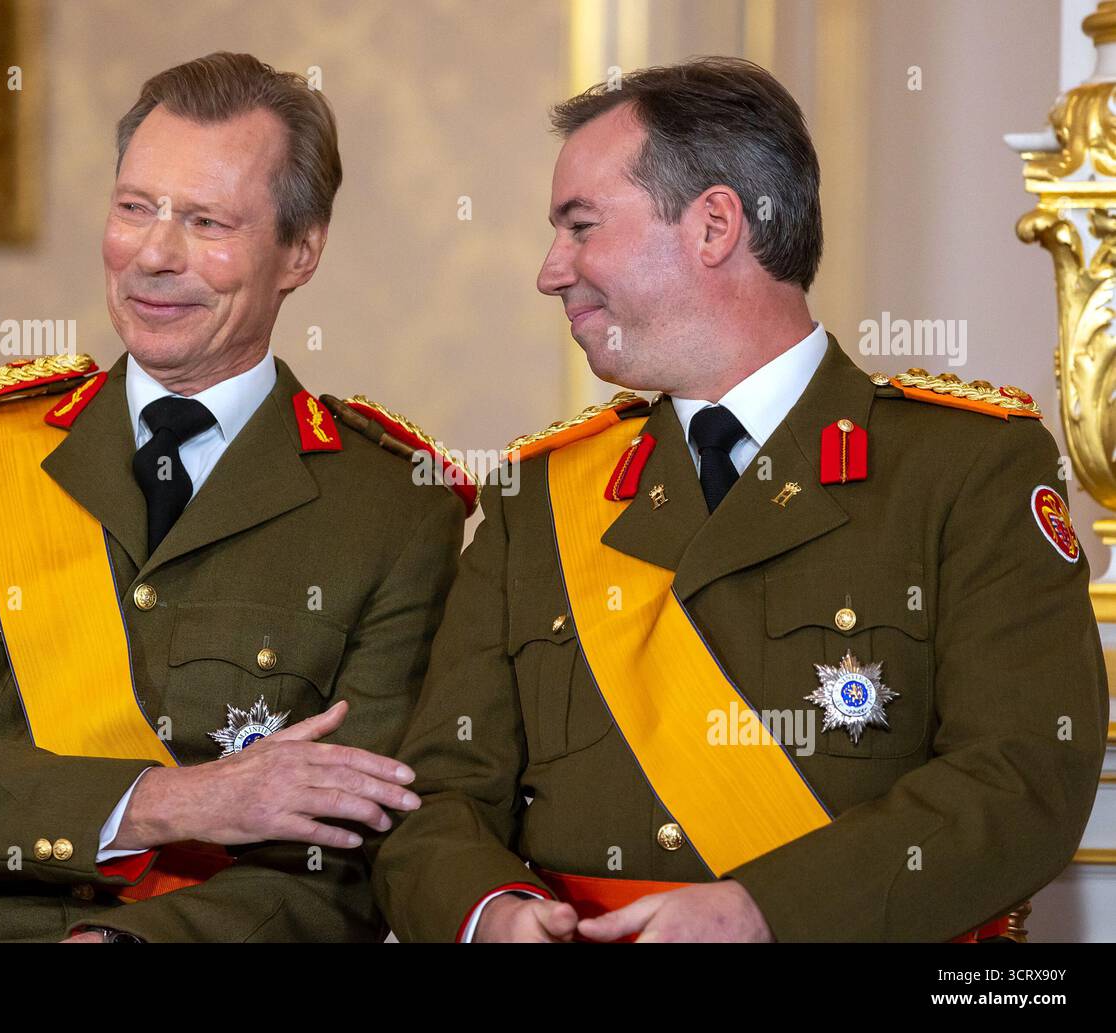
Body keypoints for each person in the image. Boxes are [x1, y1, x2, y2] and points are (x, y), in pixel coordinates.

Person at [371, 57, 1109, 942]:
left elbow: (1024, 776)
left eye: (580, 226)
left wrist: (766, 914)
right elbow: (438, 793)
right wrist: (490, 915)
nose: (550, 271)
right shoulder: (543, 493)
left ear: (716, 223)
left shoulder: (963, 468)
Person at [0, 52, 469, 943]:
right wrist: (174, 800)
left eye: (207, 222)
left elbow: (346, 861)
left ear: (300, 251)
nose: (153, 256)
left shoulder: (395, 506)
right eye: (134, 208)